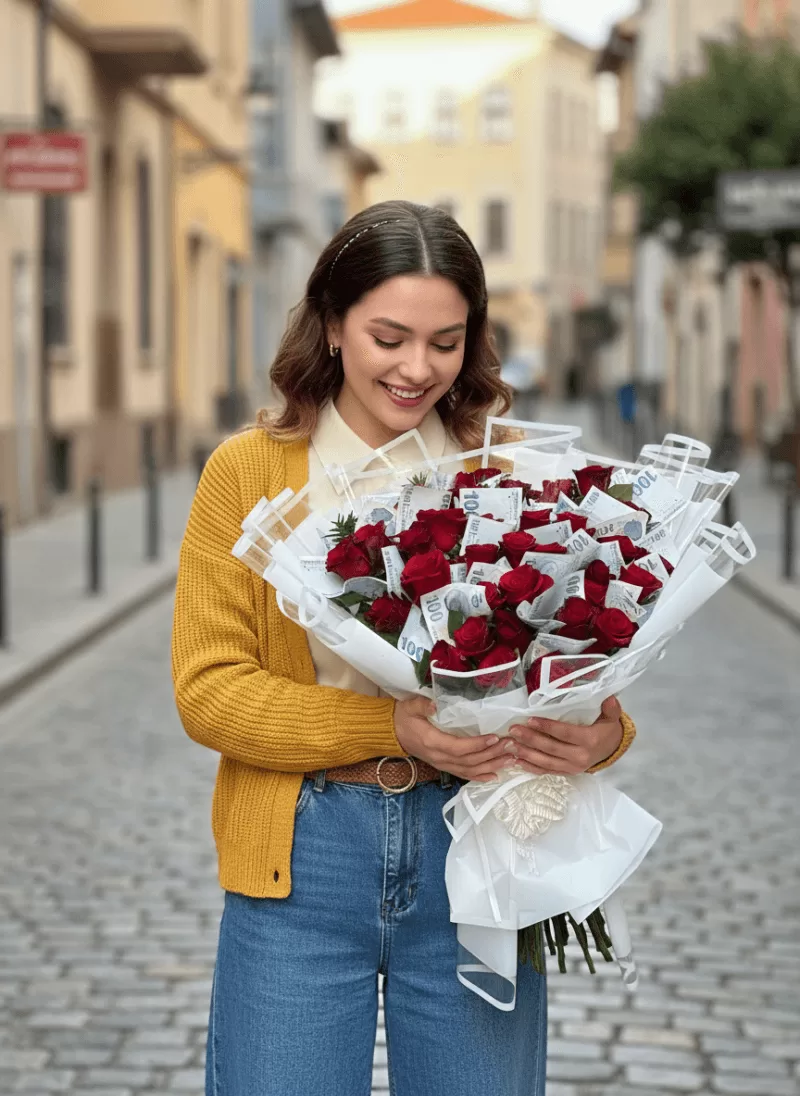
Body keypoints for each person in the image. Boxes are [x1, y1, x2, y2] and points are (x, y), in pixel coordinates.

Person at [171, 200, 636, 1096]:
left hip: (480, 852)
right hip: (303, 861)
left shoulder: (505, 471)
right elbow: (211, 691)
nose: (418, 368)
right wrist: (392, 725)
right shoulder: (249, 472)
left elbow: (588, 681)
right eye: (390, 336)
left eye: (446, 341)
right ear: (334, 325)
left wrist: (600, 737)